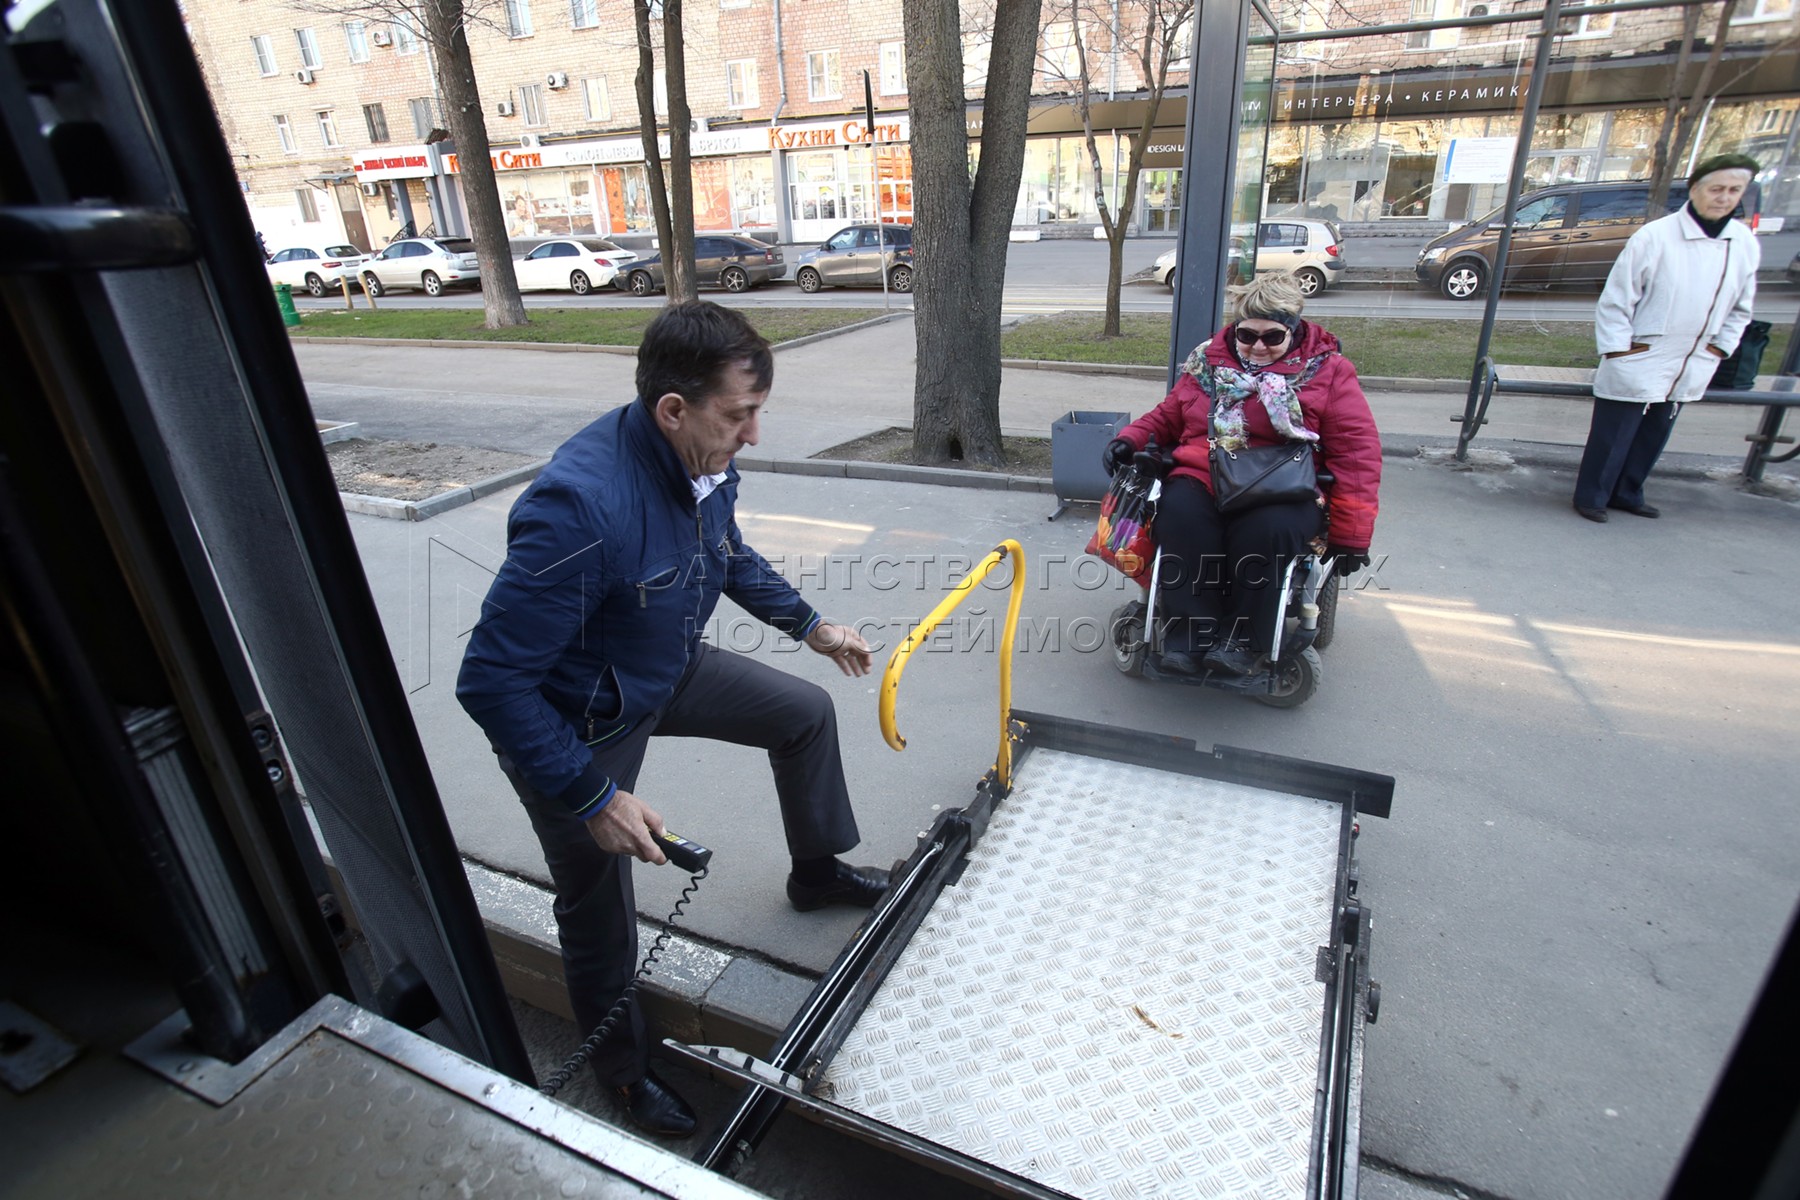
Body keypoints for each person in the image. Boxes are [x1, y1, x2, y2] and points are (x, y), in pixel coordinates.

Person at [456, 301, 890, 1137]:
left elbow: (727, 553)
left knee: (802, 711)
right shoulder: (581, 508)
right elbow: (492, 681)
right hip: (578, 722)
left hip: (665, 665)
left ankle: (816, 872)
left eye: (757, 410)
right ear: (673, 408)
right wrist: (592, 796)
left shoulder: (702, 459)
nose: (754, 434)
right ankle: (620, 1075)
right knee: (599, 910)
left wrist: (811, 626)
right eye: (740, 414)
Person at [1101, 273, 1382, 676]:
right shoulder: (1208, 359)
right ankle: (1190, 634)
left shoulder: (1329, 371)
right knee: (1180, 518)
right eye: (1247, 335)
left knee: (1265, 534)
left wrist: (1353, 535)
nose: (1258, 347)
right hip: (1207, 473)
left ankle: (1242, 639)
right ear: (1235, 328)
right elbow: (1171, 413)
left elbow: (1357, 453)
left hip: (1283, 484)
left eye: (1273, 337)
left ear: (1295, 329)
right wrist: (1129, 439)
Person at [1573, 154, 1761, 522]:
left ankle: (1628, 492)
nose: (1724, 197)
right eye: (1716, 188)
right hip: (1641, 351)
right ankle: (1592, 496)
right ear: (1695, 190)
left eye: (1733, 190)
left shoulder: (1743, 242)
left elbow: (1742, 306)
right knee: (1614, 433)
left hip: (1692, 356)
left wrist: (1719, 346)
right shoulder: (1656, 236)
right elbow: (1617, 297)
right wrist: (1617, 349)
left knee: (1656, 431)